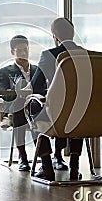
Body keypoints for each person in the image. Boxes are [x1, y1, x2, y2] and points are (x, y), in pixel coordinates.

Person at [29, 17, 85, 180]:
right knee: (79, 109)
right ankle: (74, 167)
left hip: (58, 114)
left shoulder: (49, 55)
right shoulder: (88, 55)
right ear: (73, 34)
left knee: (33, 105)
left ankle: (46, 165)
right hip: (83, 115)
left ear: (55, 36)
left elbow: (35, 86)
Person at [0, 35, 38, 171]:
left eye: (25, 49)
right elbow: (3, 93)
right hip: (16, 106)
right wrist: (19, 93)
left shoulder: (37, 70)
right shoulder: (5, 71)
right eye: (19, 50)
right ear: (12, 52)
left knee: (34, 108)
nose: (23, 53)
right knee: (20, 106)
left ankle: (45, 155)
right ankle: (22, 156)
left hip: (34, 105)